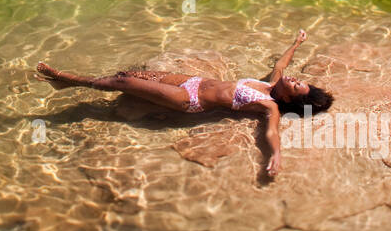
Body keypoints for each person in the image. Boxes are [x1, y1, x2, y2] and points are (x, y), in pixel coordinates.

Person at [35, 29, 333, 178]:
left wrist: (276, 156)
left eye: (296, 84)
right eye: (296, 79)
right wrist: (297, 43)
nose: (292, 78)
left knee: (122, 84)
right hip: (190, 80)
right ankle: (70, 84)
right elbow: (283, 62)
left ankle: (68, 80)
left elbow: (271, 133)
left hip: (190, 99)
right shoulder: (270, 83)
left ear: (291, 98)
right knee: (128, 75)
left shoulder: (270, 106)